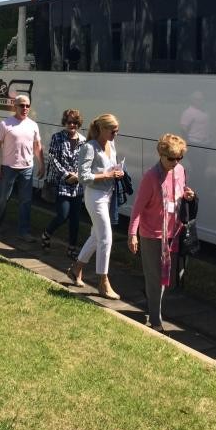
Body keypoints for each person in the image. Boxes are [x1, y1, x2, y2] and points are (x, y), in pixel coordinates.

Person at [128, 134, 195, 332]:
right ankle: (156, 321)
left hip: (173, 233)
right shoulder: (151, 177)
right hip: (152, 234)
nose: (175, 163)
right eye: (171, 158)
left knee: (167, 278)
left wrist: (188, 195)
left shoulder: (180, 171)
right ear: (161, 154)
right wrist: (133, 234)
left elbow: (179, 195)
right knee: (155, 278)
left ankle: (151, 301)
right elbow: (137, 208)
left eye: (179, 158)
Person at [67, 113, 124, 300]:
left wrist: (117, 171)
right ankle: (103, 282)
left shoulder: (111, 144)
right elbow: (83, 177)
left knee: (95, 236)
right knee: (106, 238)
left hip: (108, 195)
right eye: (113, 131)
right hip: (95, 196)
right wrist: (106, 176)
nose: (115, 134)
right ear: (102, 128)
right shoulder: (89, 147)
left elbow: (110, 167)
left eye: (117, 131)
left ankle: (76, 269)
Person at [0, 94, 44, 241]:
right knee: (3, 198)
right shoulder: (5, 124)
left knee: (25, 200)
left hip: (27, 168)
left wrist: (41, 165)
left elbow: (37, 147)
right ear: (15, 107)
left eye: (27, 105)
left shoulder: (33, 125)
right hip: (8, 167)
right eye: (21, 105)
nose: (25, 108)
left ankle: (24, 232)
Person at [41, 109, 86, 259]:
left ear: (78, 123)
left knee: (75, 219)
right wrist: (67, 175)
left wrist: (78, 175)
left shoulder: (84, 141)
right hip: (62, 183)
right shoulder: (57, 137)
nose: (71, 124)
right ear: (64, 122)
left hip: (78, 185)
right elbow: (53, 159)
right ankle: (47, 233)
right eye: (68, 122)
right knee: (63, 215)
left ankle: (72, 248)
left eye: (74, 122)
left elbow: (86, 162)